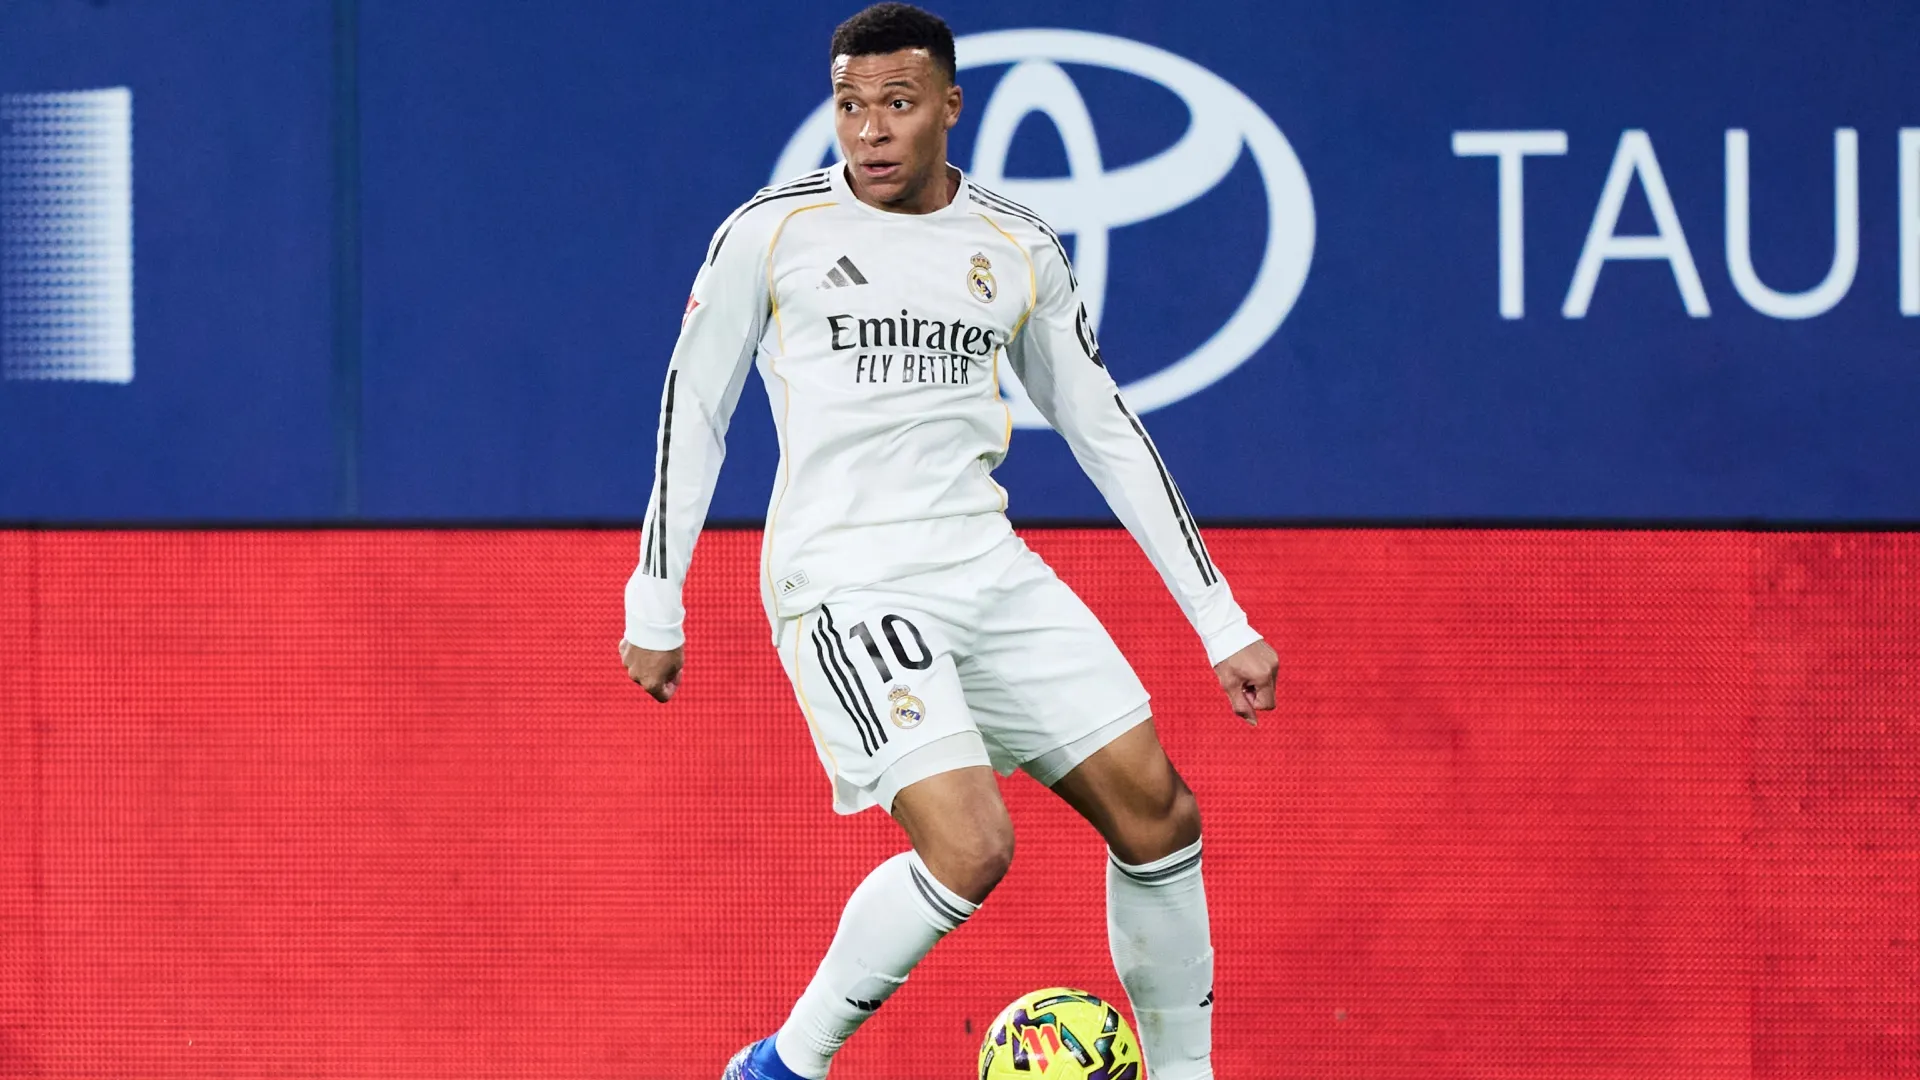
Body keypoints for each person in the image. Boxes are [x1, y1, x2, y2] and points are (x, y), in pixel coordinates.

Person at [619, 5, 1279, 1077]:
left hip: (984, 566)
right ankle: (787, 1063)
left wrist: (1221, 620)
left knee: (1159, 813)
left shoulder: (1014, 246)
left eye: (896, 103)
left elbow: (1106, 431)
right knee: (972, 846)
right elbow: (695, 406)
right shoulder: (770, 233)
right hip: (845, 576)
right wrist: (658, 597)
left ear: (948, 109)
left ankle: (1187, 1073)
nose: (869, 130)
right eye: (848, 106)